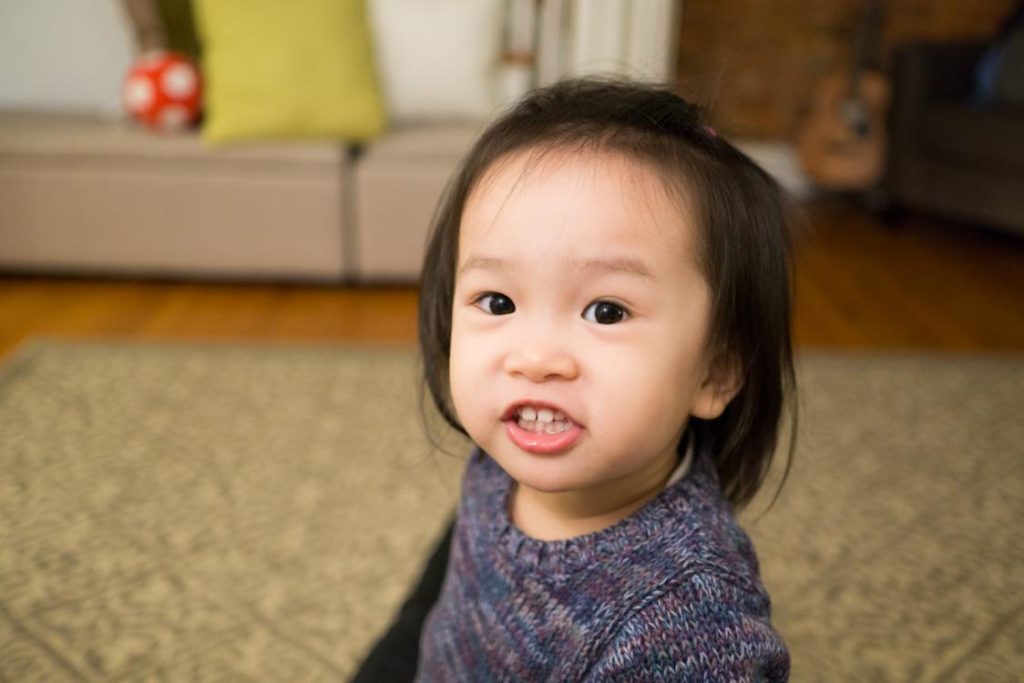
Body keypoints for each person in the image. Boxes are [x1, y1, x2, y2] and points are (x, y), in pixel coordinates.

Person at [357, 77, 797, 681]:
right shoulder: (503, 455)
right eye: (498, 302)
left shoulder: (690, 628)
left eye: (606, 311)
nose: (534, 360)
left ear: (716, 372)